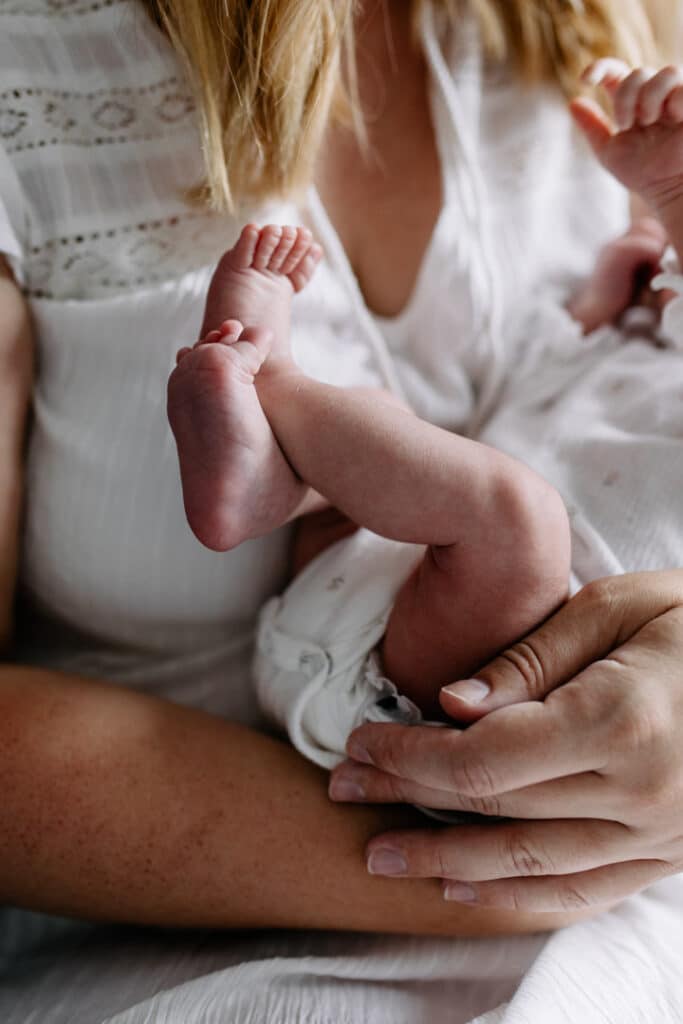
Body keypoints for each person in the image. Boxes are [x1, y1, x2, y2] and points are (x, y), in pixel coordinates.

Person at [2, 1, 683, 1019]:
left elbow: (566, 346)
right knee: (503, 511)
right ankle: (275, 419)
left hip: (434, 644)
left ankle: (274, 435)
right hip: (420, 758)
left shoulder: (597, 25)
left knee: (474, 503)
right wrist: (495, 873)